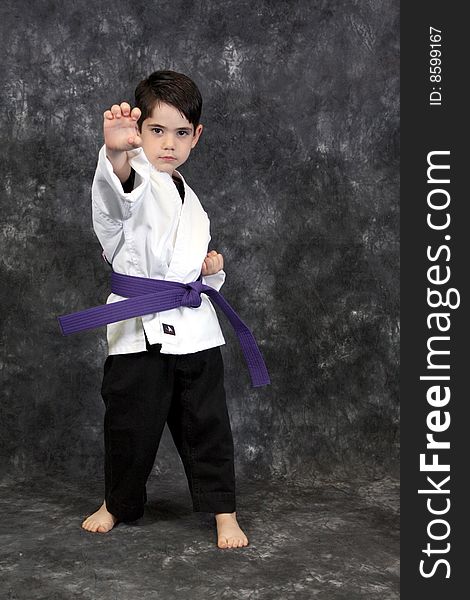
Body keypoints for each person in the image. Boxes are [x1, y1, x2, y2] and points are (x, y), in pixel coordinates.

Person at [80, 70, 249, 548]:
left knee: (209, 424)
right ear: (140, 133)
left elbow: (184, 268)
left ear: (196, 137)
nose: (168, 144)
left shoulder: (190, 198)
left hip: (195, 329)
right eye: (156, 131)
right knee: (130, 425)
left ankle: (223, 510)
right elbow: (117, 202)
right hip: (140, 328)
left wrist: (209, 271)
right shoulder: (134, 179)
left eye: (180, 133)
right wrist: (116, 154)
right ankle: (118, 502)